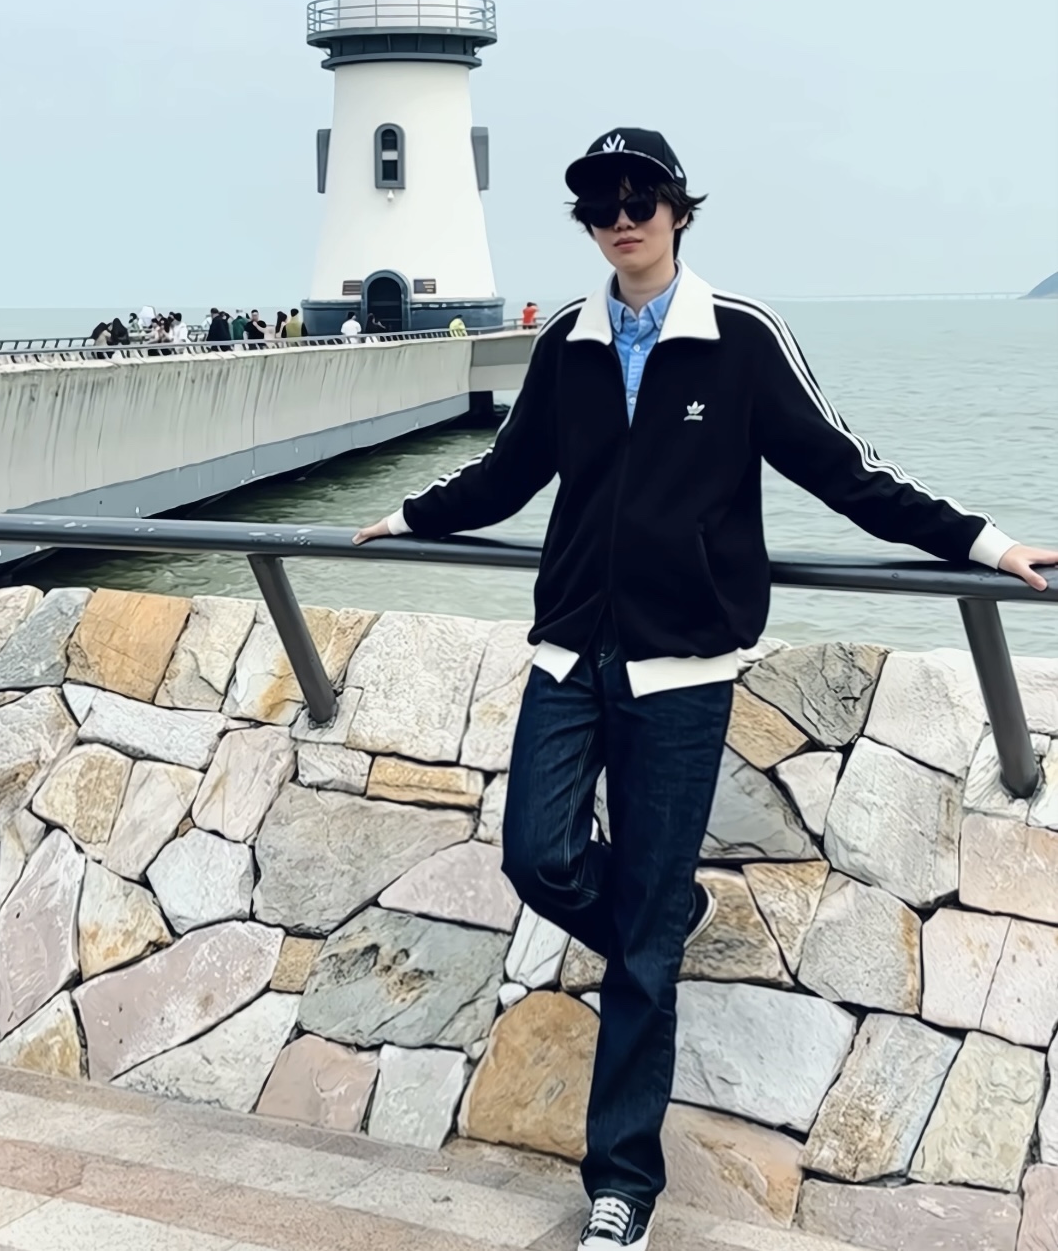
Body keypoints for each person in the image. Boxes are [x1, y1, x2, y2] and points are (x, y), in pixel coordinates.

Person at [354, 124, 1058, 1251]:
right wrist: (409, 515)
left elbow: (845, 469)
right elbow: (508, 471)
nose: (620, 219)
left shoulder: (739, 338)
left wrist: (983, 542)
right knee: (538, 856)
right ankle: (662, 913)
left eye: (640, 199)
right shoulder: (569, 341)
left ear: (678, 210)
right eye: (600, 205)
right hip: (569, 654)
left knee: (638, 952)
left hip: (684, 670)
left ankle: (621, 1186)